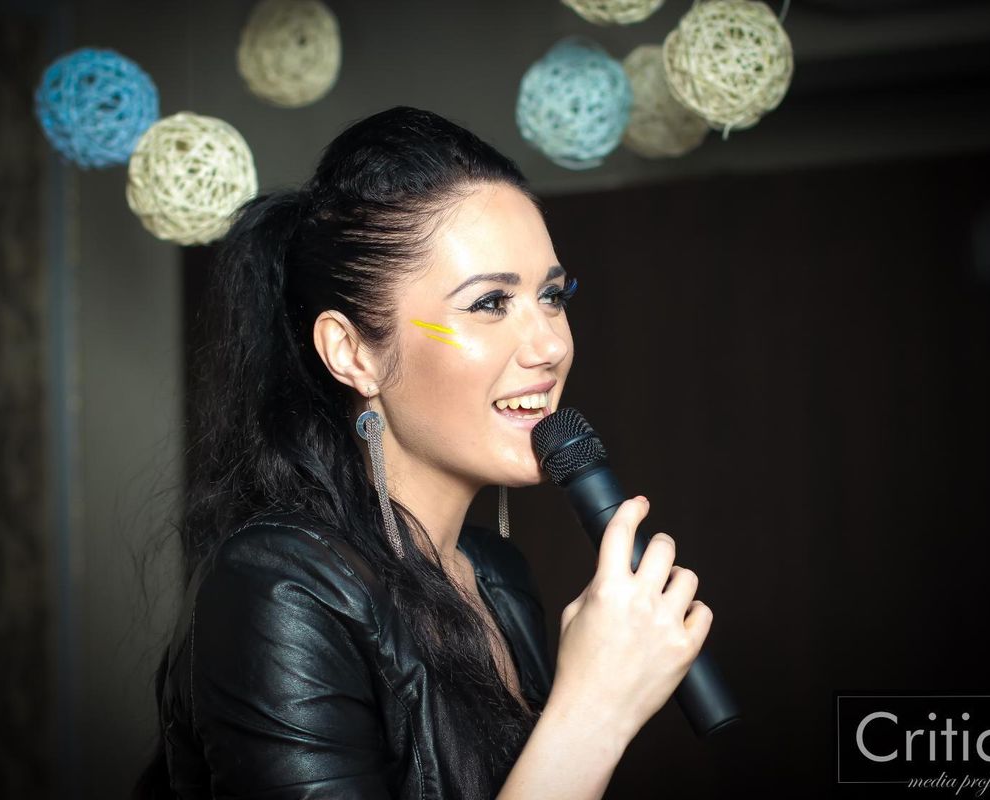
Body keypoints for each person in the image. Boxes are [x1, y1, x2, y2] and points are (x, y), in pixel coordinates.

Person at [134, 106, 713, 800]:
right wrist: (594, 712)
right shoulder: (277, 589)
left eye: (553, 296)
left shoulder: (499, 579)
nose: (552, 345)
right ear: (352, 353)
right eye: (490, 304)